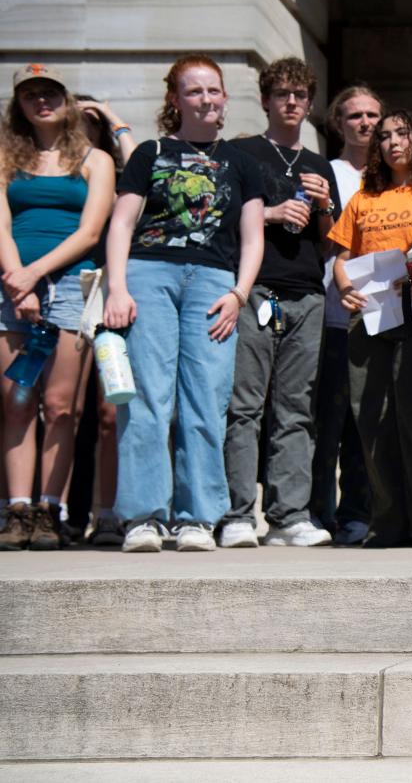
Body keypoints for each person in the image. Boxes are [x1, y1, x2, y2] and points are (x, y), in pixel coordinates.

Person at [102, 54, 264, 553]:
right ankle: (143, 518)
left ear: (225, 97)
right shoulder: (150, 152)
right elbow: (122, 224)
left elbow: (252, 239)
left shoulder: (243, 163)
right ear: (175, 99)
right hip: (149, 275)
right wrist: (118, 288)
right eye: (193, 91)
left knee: (207, 399)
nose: (205, 100)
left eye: (213, 90)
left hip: (215, 283)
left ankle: (197, 517)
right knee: (148, 398)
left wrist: (239, 294)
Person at [219, 57, 340, 548]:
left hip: (307, 293)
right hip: (254, 290)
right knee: (244, 406)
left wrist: (327, 206)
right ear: (266, 100)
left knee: (296, 410)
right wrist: (268, 213)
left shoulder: (318, 164)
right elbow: (219, 217)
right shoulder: (240, 152)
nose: (292, 103)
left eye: (301, 96)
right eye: (283, 94)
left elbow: (330, 244)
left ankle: (289, 516)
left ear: (309, 105)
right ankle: (236, 514)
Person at [0, 64, 114, 551]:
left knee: (60, 405)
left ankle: (51, 508)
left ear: (66, 101)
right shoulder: (5, 156)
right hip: (10, 288)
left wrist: (35, 274)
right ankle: (17, 509)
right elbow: (0, 226)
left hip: (73, 284)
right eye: (30, 95)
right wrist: (18, 283)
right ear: (18, 105)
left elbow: (90, 233)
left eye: (49, 93)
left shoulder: (96, 159)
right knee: (15, 401)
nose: (41, 102)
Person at [329, 110, 412, 547]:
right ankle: (387, 524)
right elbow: (342, 258)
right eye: (385, 136)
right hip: (368, 316)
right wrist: (343, 288)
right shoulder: (364, 197)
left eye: (402, 133)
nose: (393, 142)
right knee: (372, 421)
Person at [312, 84, 381, 544]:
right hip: (330, 315)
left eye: (374, 116)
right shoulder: (325, 171)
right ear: (339, 123)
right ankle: (317, 515)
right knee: (324, 424)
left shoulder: (392, 174)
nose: (366, 124)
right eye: (355, 116)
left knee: (363, 426)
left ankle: (358, 513)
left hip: (379, 315)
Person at [71, 95, 137, 546]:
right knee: (65, 412)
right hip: (59, 293)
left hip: (106, 293)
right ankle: (65, 513)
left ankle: (109, 512)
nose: (82, 127)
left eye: (89, 121)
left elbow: (142, 164)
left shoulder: (116, 175)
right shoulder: (46, 168)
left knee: (110, 411)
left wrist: (113, 118)